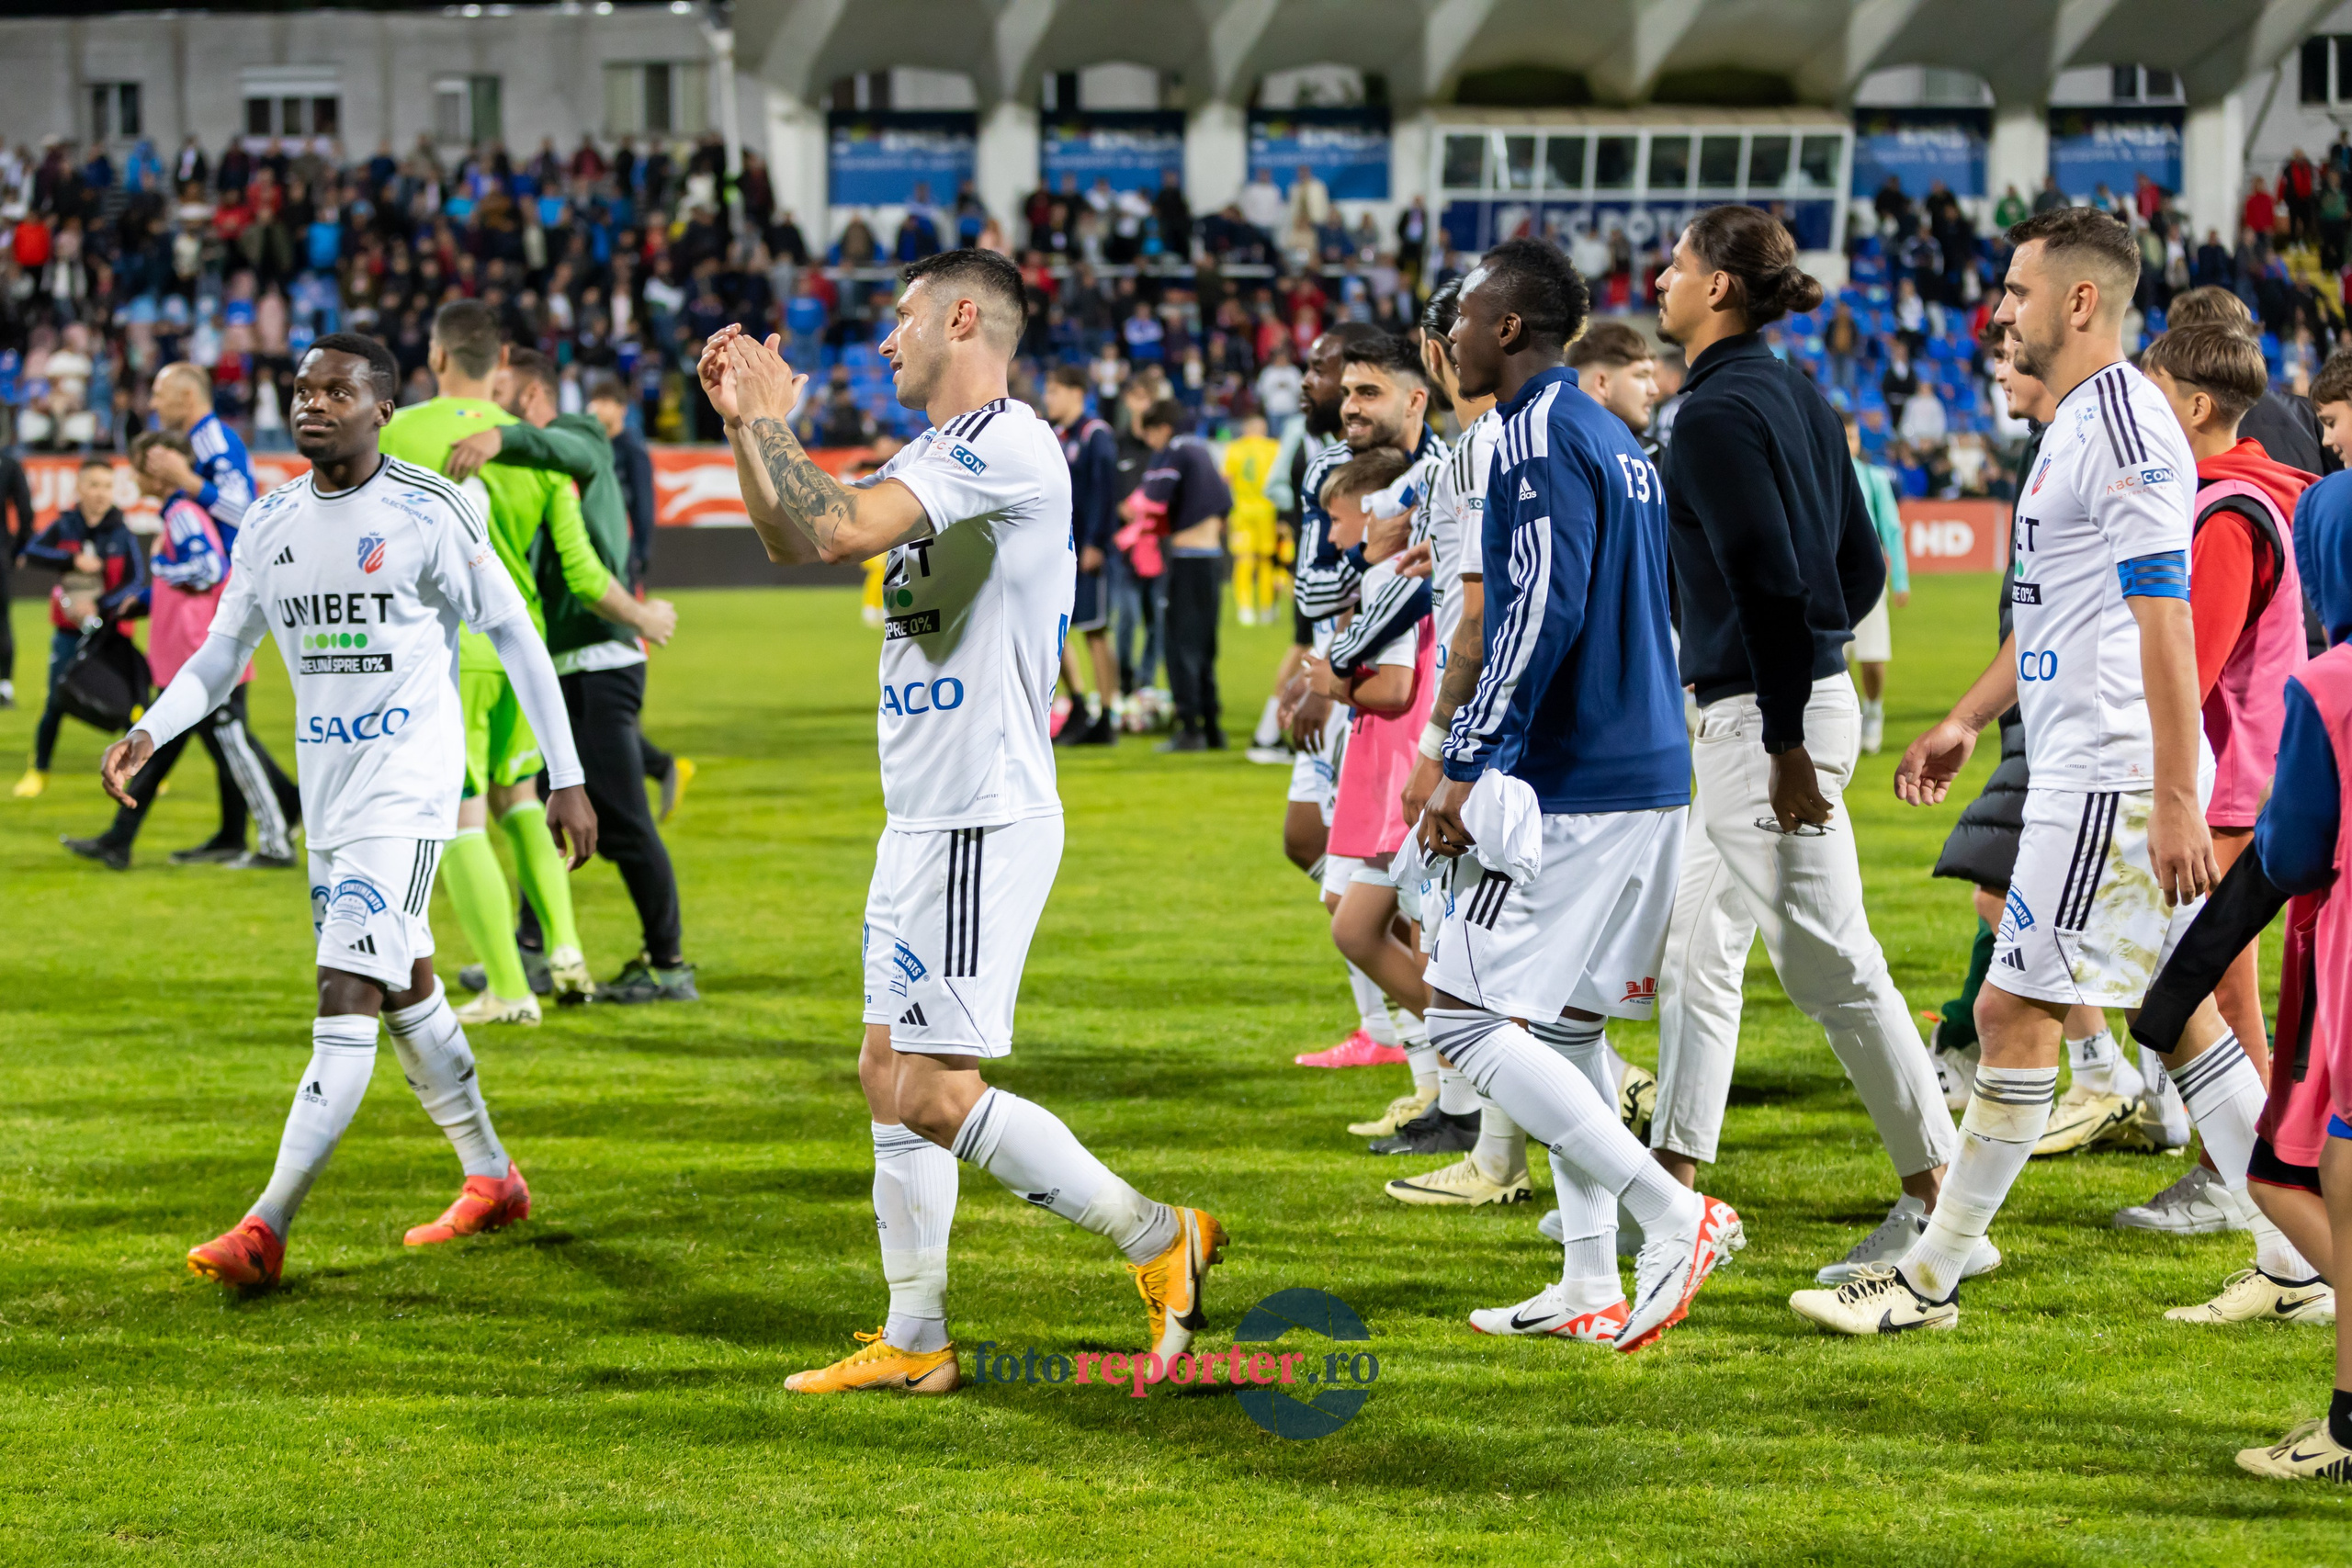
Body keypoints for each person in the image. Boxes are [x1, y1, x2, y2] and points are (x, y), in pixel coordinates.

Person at [703, 252, 1226, 1395]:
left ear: (960, 317)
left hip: (982, 812)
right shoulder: (931, 455)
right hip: (923, 816)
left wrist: (777, 418)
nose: (883, 343)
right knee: (883, 1068)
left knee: (936, 1091)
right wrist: (749, 427)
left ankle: (1157, 1237)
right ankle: (919, 1335)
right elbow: (796, 538)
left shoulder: (1009, 443)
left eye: (897, 322)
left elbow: (837, 530)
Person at [1795, 207, 2259, 1337]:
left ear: (2080, 301)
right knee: (2173, 1009)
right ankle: (2296, 1252)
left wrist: (2174, 795)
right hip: (2083, 760)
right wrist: (1964, 719)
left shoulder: (2129, 428)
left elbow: (2164, 614)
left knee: (2011, 1012)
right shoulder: (2078, 425)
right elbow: (2061, 612)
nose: (1999, 308)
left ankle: (1930, 1278)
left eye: (2014, 290)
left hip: (2105, 771)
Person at [119, 334, 594, 1293]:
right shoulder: (270, 521)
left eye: (338, 390)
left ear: (382, 408)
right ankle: (494, 1177)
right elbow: (222, 652)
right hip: (330, 800)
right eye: (302, 390)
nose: (313, 405)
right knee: (407, 989)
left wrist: (567, 776)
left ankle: (266, 1224)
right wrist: (152, 727)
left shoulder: (428, 511)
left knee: (344, 994)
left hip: (406, 794)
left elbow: (513, 633)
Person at [1419, 238, 1740, 1351]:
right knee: (1566, 1026)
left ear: (1507, 328)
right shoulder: (1614, 435)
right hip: (1647, 765)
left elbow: (1537, 605)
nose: (1448, 337)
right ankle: (1589, 1279)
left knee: (1460, 1014)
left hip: (1579, 779)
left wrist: (1465, 757)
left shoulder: (1539, 433)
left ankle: (1674, 1213)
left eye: (1461, 317)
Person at [1643, 206, 1958, 1288]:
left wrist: (1782, 736)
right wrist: (1812, 668)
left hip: (1758, 725)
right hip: (1778, 709)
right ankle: (1668, 1198)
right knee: (1693, 952)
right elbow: (1858, 571)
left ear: (1720, 287)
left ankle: (1943, 1207)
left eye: (1678, 262)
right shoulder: (1800, 397)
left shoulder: (1714, 414)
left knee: (1830, 963)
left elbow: (1776, 579)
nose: (1661, 277)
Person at [2132, 321, 2324, 1314]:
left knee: (2217, 1013)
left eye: (2152, 391)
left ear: (2194, 407)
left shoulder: (2223, 518)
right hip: (2252, 783)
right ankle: (2283, 1246)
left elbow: (2187, 675)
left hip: (2223, 797)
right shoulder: (2267, 495)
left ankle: (2286, 1246)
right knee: (2218, 1013)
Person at [381, 300, 611, 1022]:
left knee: (458, 817)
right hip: (524, 646)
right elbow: (574, 554)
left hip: (451, 652)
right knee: (519, 798)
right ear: (501, 363)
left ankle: (510, 989)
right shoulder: (531, 446)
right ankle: (567, 952)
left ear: (438, 357)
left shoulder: (400, 432)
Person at [441, 350, 694, 1004]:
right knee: (541, 806)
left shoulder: (578, 436)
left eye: (498, 396)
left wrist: (638, 615)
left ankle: (669, 966)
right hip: (559, 661)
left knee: (622, 820)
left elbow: (582, 575)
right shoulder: (531, 469)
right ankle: (532, 949)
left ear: (528, 397)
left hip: (600, 658)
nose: (486, 411)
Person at [2219, 454, 2352, 1479]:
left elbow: (2294, 849)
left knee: (2319, 1170)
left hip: (2342, 952)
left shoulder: (2329, 681)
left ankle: (2347, 1430)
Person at [62, 430, 297, 872]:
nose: (137, 475)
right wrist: (151, 597)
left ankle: (278, 833)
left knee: (231, 744)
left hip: (198, 654)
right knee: (183, 745)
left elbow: (209, 567)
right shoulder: (180, 512)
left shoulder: (183, 512)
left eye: (140, 465)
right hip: (188, 652)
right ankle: (123, 839)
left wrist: (162, 568)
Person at [16, 457, 145, 800]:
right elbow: (31, 551)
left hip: (113, 635)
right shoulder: (65, 525)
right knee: (55, 702)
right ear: (79, 488)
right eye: (94, 485)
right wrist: (71, 561)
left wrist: (101, 607)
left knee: (133, 706)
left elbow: (136, 580)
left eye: (107, 486)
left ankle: (144, 773)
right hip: (69, 633)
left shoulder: (122, 530)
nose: (101, 493)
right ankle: (38, 771)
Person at [1127, 400, 1233, 751]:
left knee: (1179, 646)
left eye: (1150, 438)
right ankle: (1213, 726)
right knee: (1205, 645)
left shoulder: (1174, 451)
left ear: (1161, 429)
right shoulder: (1203, 452)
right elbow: (1224, 504)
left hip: (1185, 560)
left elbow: (1151, 501)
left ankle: (1189, 728)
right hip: (1212, 558)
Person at [1042, 365, 1120, 747]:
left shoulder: (1095, 435)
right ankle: (1078, 705)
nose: (1048, 398)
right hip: (1057, 551)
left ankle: (1107, 715)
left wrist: (1095, 543)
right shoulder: (1056, 437)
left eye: (1054, 390)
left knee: (1094, 631)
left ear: (1076, 392)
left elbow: (1105, 492)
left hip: (1086, 550)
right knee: (1054, 631)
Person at [1842, 412, 1908, 755]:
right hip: (1830, 587)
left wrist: (1900, 580)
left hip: (1867, 583)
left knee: (1872, 657)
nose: (1847, 444)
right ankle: (1849, 719)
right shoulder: (1817, 475)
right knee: (1835, 663)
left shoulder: (1873, 478)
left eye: (1852, 437)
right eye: (1842, 437)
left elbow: (1891, 529)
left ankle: (1874, 710)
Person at [144, 361, 256, 553]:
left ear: (188, 396)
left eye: (159, 395)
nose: (152, 404)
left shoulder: (214, 442)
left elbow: (245, 514)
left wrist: (185, 480)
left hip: (232, 572)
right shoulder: (196, 440)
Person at [1222, 412, 1283, 628]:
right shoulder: (1275, 448)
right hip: (1268, 511)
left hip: (1242, 511)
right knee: (1267, 560)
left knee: (1244, 560)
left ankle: (1245, 609)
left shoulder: (1235, 449)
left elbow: (1226, 480)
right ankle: (1267, 609)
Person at [0, 446, 33, 708]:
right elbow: (25, 509)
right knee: (0, 620)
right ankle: (4, 686)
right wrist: (19, 547)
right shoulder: (8, 464)